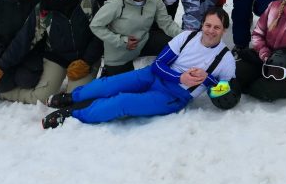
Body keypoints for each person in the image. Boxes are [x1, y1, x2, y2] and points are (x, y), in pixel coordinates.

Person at [42, 7, 239, 128]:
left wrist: (207, 79)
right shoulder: (187, 37)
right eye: (208, 25)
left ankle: (72, 115)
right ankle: (72, 97)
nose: (210, 31)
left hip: (173, 96)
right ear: (202, 24)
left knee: (123, 103)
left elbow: (225, 91)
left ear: (224, 30)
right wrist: (180, 77)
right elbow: (159, 64)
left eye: (216, 27)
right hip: (154, 75)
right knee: (109, 84)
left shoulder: (225, 59)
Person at [91, 0, 181, 76]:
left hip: (142, 45)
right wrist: (121, 41)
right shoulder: (116, 3)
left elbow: (167, 24)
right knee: (121, 91)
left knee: (173, 43)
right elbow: (95, 25)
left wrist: (187, 37)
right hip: (119, 57)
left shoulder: (154, 1)